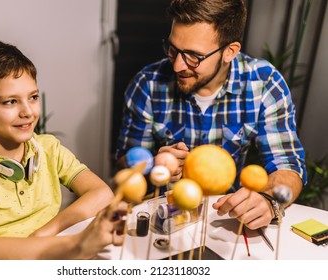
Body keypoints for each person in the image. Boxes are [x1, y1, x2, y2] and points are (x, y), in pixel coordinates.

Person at [115, 0, 307, 230]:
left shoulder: (263, 83)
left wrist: (268, 200)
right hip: (162, 215)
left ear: (230, 51)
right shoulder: (148, 83)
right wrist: (154, 164)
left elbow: (288, 164)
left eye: (194, 56)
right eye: (173, 49)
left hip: (225, 219)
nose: (177, 65)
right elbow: (127, 158)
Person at [0, 40, 126, 260]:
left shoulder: (48, 148)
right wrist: (74, 245)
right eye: (10, 102)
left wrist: (45, 233)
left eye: (33, 97)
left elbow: (102, 193)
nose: (27, 112)